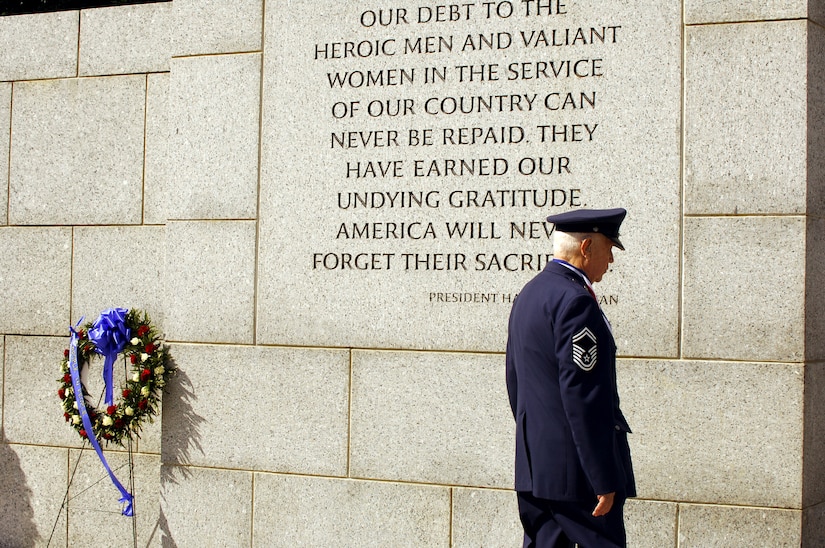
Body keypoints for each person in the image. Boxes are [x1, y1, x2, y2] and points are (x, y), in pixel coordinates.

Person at [505, 208, 636, 547]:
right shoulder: (576, 301)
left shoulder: (531, 294)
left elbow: (516, 384)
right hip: (577, 478)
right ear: (586, 247)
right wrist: (602, 476)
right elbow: (583, 397)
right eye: (608, 249)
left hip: (537, 468)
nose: (610, 260)